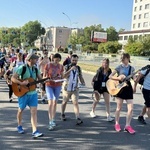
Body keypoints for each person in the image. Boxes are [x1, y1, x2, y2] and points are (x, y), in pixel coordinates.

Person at [11, 53, 43, 138]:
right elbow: (13, 78)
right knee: (21, 110)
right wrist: (21, 83)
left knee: (34, 112)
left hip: (33, 93)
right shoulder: (23, 68)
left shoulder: (36, 69)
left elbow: (40, 79)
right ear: (30, 60)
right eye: (35, 59)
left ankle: (35, 130)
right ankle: (19, 125)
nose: (36, 60)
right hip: (23, 93)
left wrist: (46, 80)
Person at [109, 53, 136, 134]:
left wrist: (136, 78)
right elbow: (110, 76)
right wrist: (118, 78)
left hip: (128, 88)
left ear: (128, 58)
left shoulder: (132, 68)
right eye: (122, 58)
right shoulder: (119, 67)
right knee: (119, 108)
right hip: (120, 88)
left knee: (130, 109)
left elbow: (134, 79)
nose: (122, 59)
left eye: (124, 58)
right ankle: (117, 123)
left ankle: (127, 125)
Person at [61, 54, 85, 125]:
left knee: (75, 102)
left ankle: (77, 117)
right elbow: (64, 76)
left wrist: (83, 82)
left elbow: (80, 76)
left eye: (76, 60)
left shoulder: (78, 68)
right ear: (70, 60)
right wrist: (70, 70)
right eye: (73, 60)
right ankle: (62, 113)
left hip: (75, 88)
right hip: (67, 88)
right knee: (65, 102)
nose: (74, 62)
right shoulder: (66, 66)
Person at [43, 53, 64, 130]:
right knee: (50, 102)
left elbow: (62, 76)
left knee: (55, 102)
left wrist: (62, 79)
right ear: (53, 58)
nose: (57, 61)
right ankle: (50, 120)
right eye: (56, 59)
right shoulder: (48, 65)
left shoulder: (61, 66)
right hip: (49, 85)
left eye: (58, 60)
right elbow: (44, 76)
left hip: (58, 85)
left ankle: (53, 118)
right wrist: (46, 78)